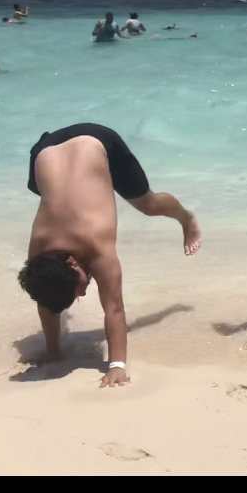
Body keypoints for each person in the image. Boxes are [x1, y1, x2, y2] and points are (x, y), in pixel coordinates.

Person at [17, 125, 200, 387]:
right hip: (45, 151)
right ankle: (54, 347)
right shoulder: (39, 251)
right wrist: (53, 352)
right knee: (52, 189)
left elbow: (114, 308)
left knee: (147, 204)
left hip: (95, 139)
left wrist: (116, 365)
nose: (83, 294)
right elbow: (45, 297)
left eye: (79, 289)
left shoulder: (97, 245)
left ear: (72, 262)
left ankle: (186, 218)